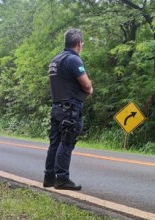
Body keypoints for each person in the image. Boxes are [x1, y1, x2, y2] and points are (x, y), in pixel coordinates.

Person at [44, 28, 93, 191]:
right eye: (82, 43)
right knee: (66, 142)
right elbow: (87, 85)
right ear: (79, 43)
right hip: (70, 109)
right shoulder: (73, 60)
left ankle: (49, 177)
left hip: (57, 107)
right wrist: (90, 89)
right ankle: (62, 179)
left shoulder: (55, 60)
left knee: (55, 142)